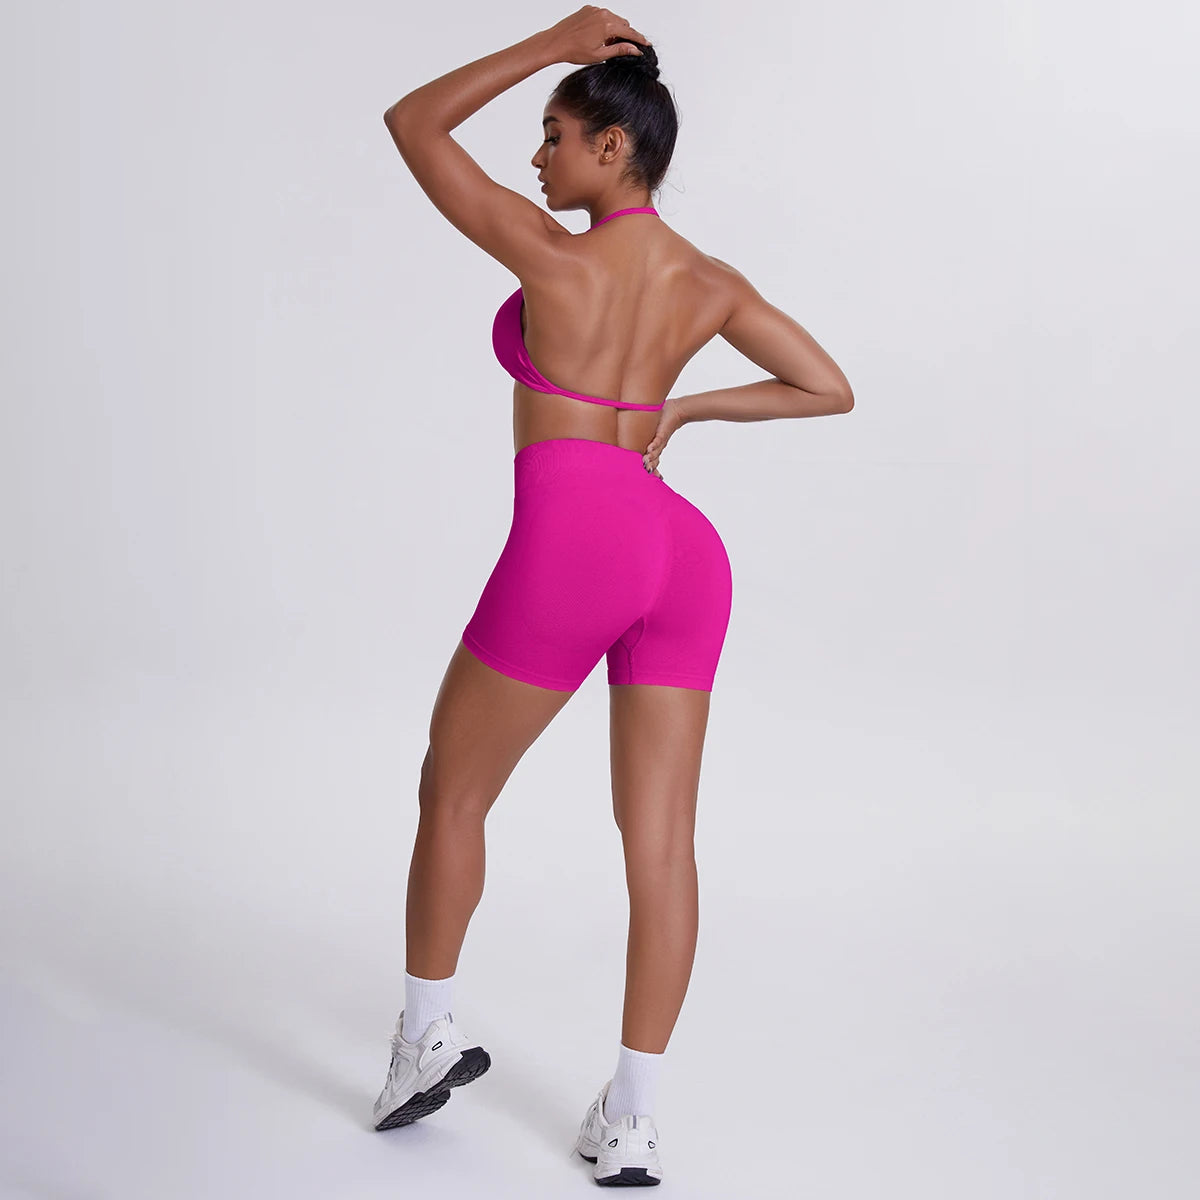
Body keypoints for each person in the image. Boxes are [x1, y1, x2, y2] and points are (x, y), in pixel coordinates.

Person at [372, 7, 854, 1187]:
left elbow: (412, 122)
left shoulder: (552, 256)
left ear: (610, 147)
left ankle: (422, 1037)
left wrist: (553, 42)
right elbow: (826, 386)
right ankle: (631, 1118)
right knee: (663, 848)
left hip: (578, 534)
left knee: (453, 787)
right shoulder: (711, 284)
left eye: (552, 134)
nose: (536, 157)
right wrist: (683, 406)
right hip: (680, 548)